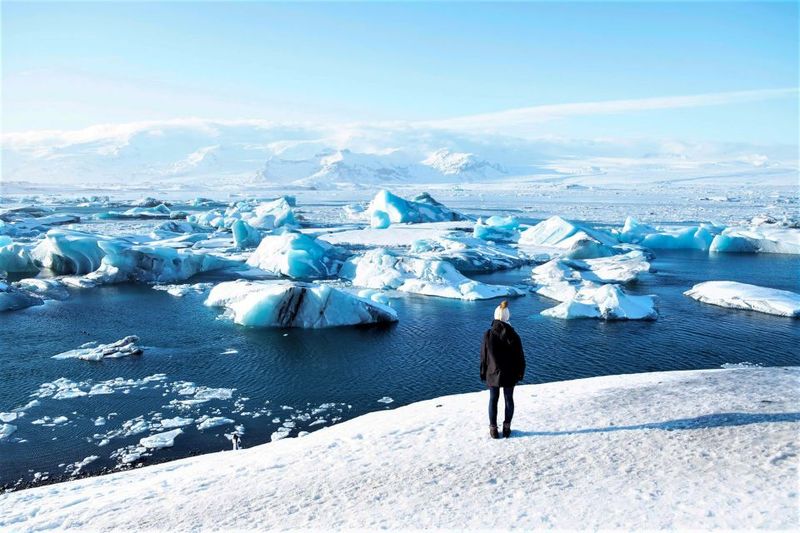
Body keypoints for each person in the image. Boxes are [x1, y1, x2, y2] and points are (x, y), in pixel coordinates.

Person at [480, 300, 525, 439]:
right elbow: (520, 357)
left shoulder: (488, 334)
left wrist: (483, 372)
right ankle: (507, 428)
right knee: (508, 399)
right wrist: (520, 373)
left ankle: (493, 429)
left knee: (493, 399)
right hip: (510, 373)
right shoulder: (514, 335)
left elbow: (484, 356)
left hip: (492, 372)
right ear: (507, 316)